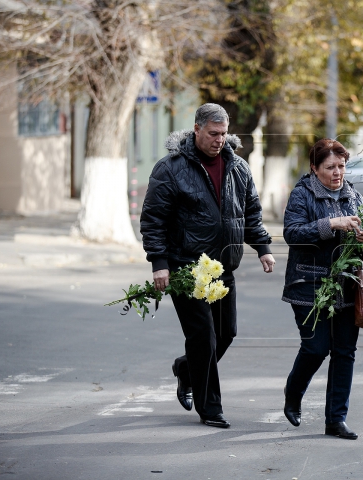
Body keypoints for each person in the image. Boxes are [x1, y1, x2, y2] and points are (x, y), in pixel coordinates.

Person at [140, 103, 275, 428]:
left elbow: (250, 212)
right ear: (197, 129)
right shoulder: (170, 168)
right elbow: (153, 219)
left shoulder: (238, 167)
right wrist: (160, 263)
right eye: (213, 134)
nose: (219, 140)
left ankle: (187, 371)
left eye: (224, 133)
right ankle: (210, 408)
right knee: (203, 338)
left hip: (222, 267)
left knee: (226, 333)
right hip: (185, 268)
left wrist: (262, 247)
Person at [281, 138, 363, 440]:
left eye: (342, 166)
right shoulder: (302, 195)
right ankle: (293, 391)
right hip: (308, 283)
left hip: (347, 284)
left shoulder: (353, 196)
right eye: (330, 167)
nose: (338, 173)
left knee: (345, 352)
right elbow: (292, 234)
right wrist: (332, 223)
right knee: (316, 347)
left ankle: (336, 419)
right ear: (314, 168)